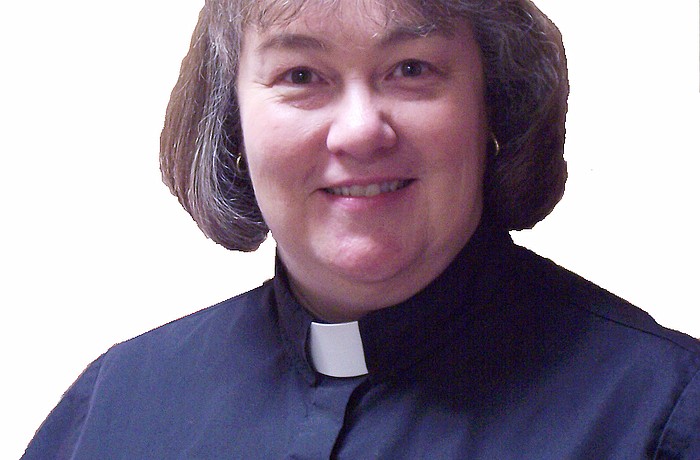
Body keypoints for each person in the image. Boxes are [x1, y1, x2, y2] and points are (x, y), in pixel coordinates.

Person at [23, 0, 699, 458]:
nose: (359, 131)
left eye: (411, 69)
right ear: (230, 121)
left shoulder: (659, 415)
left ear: (495, 101)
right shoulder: (114, 406)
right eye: (300, 75)